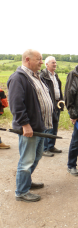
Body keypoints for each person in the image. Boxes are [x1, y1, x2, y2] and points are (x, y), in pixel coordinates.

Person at [7, 49, 53, 202]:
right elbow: (16, 105)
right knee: (26, 161)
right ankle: (21, 192)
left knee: (36, 156)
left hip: (39, 127)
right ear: (27, 59)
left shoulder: (35, 76)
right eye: (39, 59)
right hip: (30, 128)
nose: (41, 62)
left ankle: (26, 182)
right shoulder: (18, 78)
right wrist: (25, 125)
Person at [40, 56, 64, 157]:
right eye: (53, 63)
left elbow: (58, 88)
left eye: (55, 62)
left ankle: (51, 146)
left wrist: (62, 100)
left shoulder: (55, 75)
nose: (55, 64)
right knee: (47, 126)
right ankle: (44, 148)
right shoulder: (43, 75)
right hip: (49, 104)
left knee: (55, 125)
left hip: (57, 103)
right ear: (47, 65)